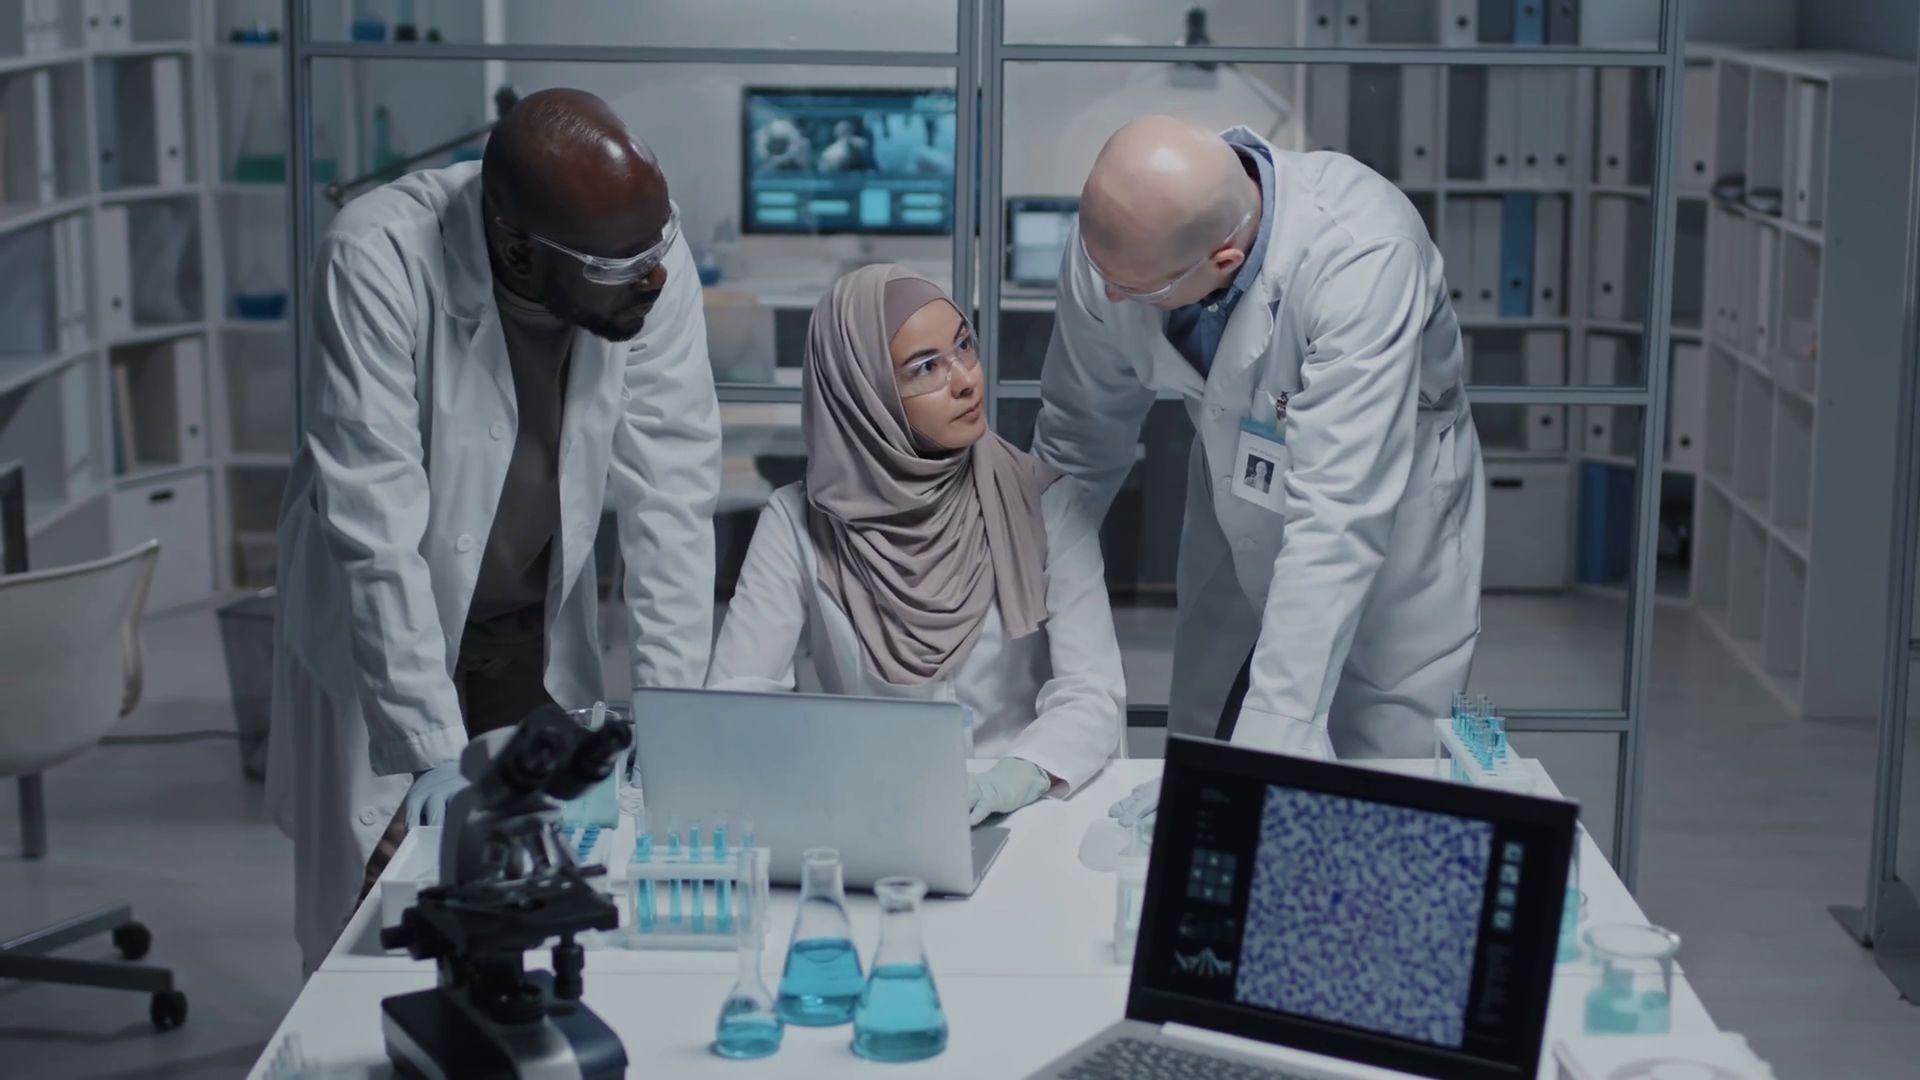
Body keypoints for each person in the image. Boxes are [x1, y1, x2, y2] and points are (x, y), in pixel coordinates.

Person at [266, 89, 721, 970]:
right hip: (387, 639)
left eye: (658, 249)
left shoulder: (641, 255)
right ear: (516, 250)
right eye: (624, 265)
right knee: (379, 919)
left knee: (541, 891)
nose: (656, 279)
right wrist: (430, 752)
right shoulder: (377, 255)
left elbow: (672, 497)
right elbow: (376, 530)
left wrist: (673, 722)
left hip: (527, 627)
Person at [1033, 116, 1484, 822]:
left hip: (1388, 509)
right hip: (1236, 477)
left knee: (1382, 778)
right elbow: (1075, 448)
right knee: (1209, 726)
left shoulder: (1363, 250)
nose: (1111, 296)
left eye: (1136, 290)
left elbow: (1337, 516)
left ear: (1224, 261)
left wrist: (1263, 761)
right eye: (1102, 274)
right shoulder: (1118, 245)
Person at [707, 264, 1124, 822]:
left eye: (964, 346)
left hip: (1022, 810)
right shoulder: (796, 521)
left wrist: (1016, 777)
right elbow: (738, 699)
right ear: (865, 393)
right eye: (926, 367)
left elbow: (1091, 692)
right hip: (860, 808)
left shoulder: (1047, 502)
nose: (965, 380)